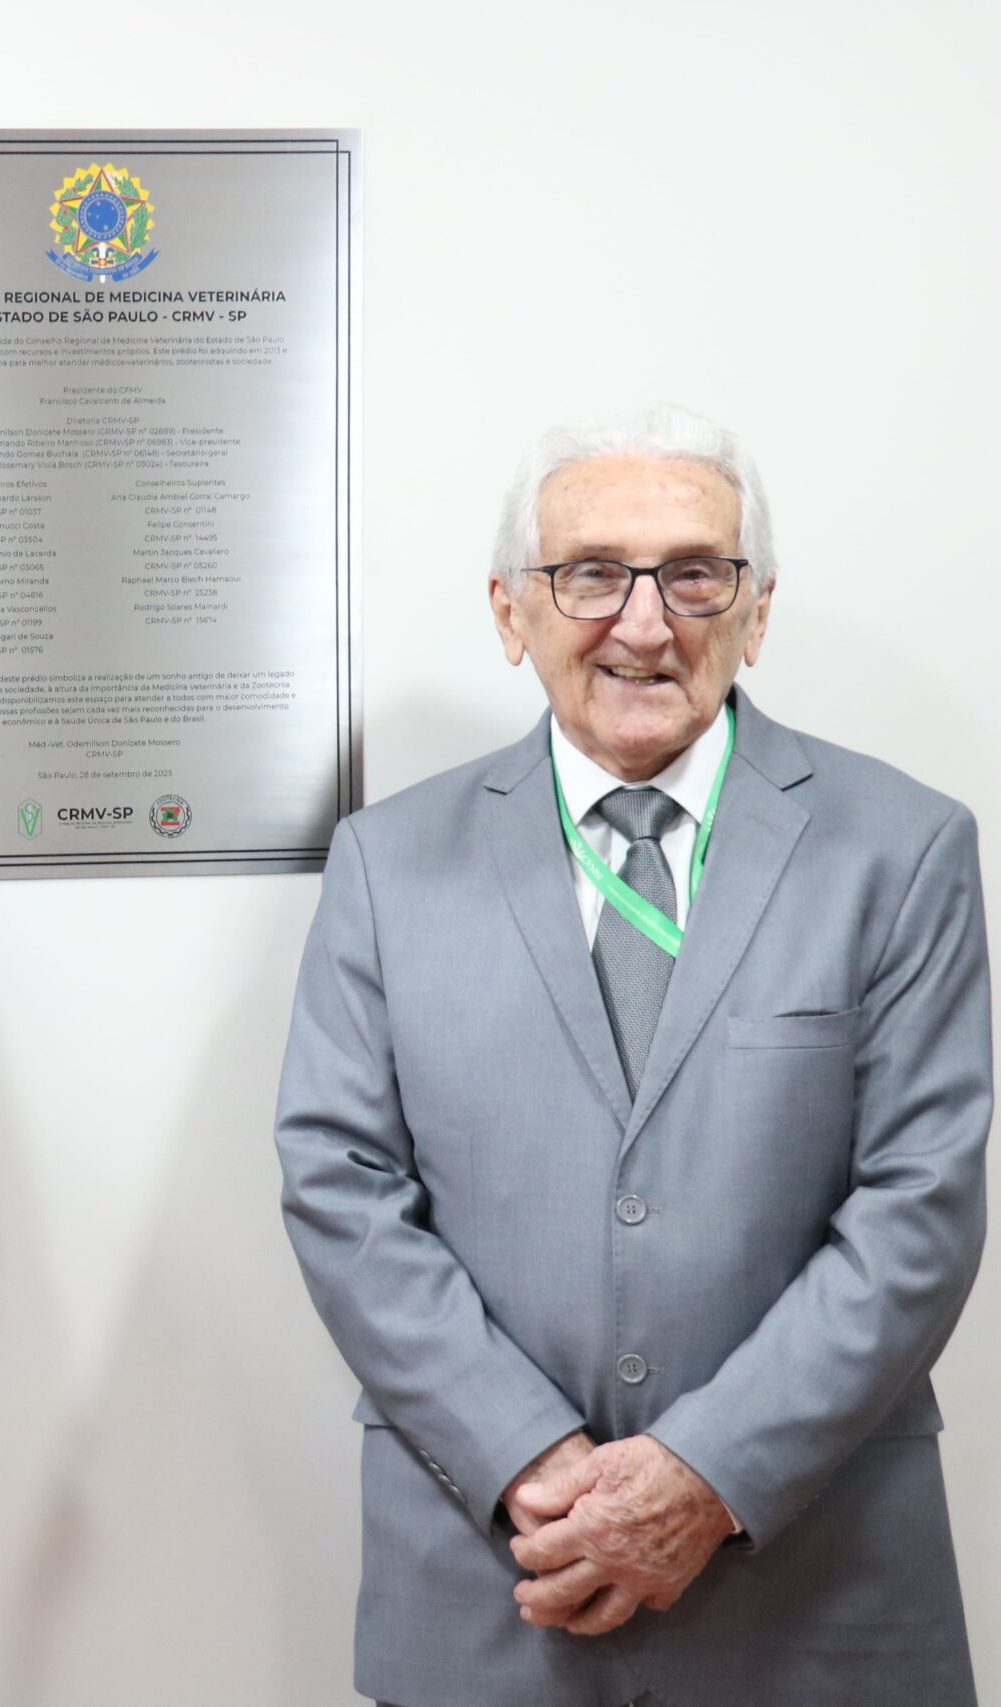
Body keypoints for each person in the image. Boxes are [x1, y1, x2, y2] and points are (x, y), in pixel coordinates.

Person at [274, 404, 988, 1706]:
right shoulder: (388, 863)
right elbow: (339, 1186)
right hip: (498, 1578)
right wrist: (536, 1462)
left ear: (757, 609)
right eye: (592, 573)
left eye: (694, 573)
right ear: (511, 612)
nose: (645, 624)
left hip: (814, 1598)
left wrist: (704, 1477)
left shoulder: (905, 848)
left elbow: (921, 1209)